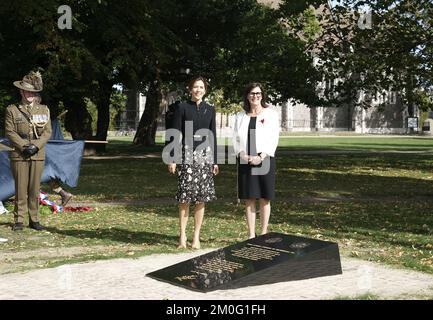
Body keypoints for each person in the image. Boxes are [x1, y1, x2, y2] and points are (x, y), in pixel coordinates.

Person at [168, 76, 219, 249]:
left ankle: (196, 237)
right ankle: (182, 236)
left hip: (205, 157)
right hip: (186, 156)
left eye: (201, 87)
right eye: (195, 87)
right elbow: (174, 133)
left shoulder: (210, 109)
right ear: (190, 89)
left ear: (205, 90)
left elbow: (213, 135)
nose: (198, 90)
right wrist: (172, 158)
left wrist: (215, 161)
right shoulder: (182, 107)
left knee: (201, 199)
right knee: (185, 198)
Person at [4, 70, 52, 231]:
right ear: (21, 91)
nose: (30, 94)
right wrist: (25, 146)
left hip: (37, 154)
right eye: (27, 91)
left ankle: (35, 219)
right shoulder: (12, 110)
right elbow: (10, 131)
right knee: (20, 188)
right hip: (19, 154)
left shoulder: (44, 110)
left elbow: (47, 132)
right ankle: (19, 220)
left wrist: (36, 146)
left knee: (34, 188)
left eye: (33, 91)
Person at [232, 82, 279, 239]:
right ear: (247, 96)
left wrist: (261, 156)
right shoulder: (240, 116)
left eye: (258, 93)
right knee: (249, 197)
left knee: (265, 198)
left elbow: (274, 138)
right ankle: (251, 234)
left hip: (265, 159)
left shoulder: (271, 114)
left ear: (262, 95)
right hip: (246, 159)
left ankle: (264, 232)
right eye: (252, 93)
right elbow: (236, 139)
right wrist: (243, 154)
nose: (255, 96)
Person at [48, 115, 73, 206]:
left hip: (44, 151)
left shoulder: (46, 117)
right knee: (45, 176)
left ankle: (63, 194)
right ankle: (64, 194)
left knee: (43, 176)